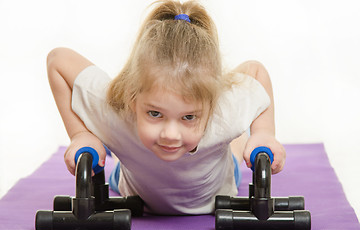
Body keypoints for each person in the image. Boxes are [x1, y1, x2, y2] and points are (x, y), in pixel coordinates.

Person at [47, 0, 286, 215]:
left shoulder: (225, 113)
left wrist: (264, 133)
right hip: (133, 184)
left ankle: (234, 140)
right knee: (122, 144)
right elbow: (58, 59)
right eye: (155, 113)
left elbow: (255, 71)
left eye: (188, 117)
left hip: (216, 185)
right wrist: (80, 134)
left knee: (233, 142)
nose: (170, 134)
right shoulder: (116, 113)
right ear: (133, 98)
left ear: (212, 107)